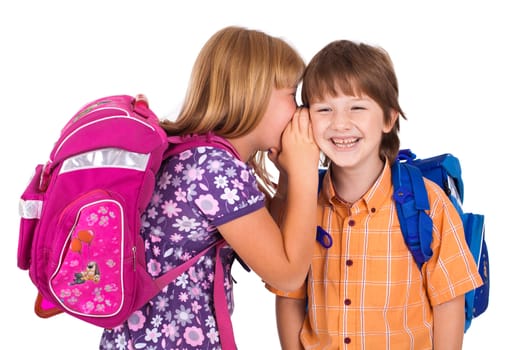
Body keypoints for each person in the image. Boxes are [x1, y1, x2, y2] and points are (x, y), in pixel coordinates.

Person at [99, 26, 320, 349]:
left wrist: (286, 179)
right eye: (292, 95)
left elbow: (269, 237)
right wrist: (305, 173)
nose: (301, 111)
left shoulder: (194, 154)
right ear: (254, 94)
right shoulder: (216, 171)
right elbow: (287, 274)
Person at [267, 40, 483, 350]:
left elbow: (449, 302)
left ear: (388, 117)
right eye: (324, 109)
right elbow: (289, 298)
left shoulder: (429, 203)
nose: (340, 123)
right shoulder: (303, 206)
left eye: (357, 107)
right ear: (304, 119)